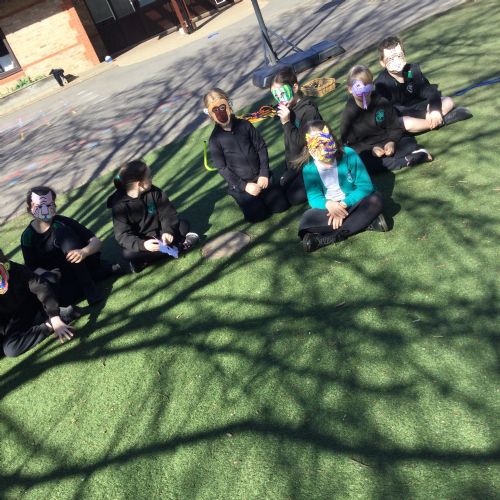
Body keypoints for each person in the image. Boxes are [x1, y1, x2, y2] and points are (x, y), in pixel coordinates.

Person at [297, 121, 388, 252]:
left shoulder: (349, 154)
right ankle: (365, 223)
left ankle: (327, 238)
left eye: (325, 142)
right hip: (329, 209)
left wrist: (343, 205)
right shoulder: (309, 169)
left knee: (375, 200)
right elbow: (314, 197)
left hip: (353, 202)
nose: (323, 149)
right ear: (309, 149)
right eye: (316, 145)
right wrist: (329, 205)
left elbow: (365, 186)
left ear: (332, 138)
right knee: (306, 222)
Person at [21, 186, 120, 306]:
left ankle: (90, 288)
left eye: (49, 204)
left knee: (62, 232)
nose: (45, 210)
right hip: (63, 277)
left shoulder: (62, 222)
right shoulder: (28, 236)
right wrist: (50, 274)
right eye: (39, 206)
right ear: (30, 208)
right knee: (62, 298)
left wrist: (84, 252)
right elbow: (31, 266)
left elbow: (96, 242)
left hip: (83, 265)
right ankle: (99, 274)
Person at [205, 88, 289, 223]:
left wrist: (264, 173)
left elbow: (261, 147)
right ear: (210, 114)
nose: (220, 112)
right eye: (215, 109)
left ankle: (267, 192)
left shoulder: (245, 125)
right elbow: (222, 168)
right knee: (258, 216)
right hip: (242, 185)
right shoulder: (215, 140)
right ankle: (245, 198)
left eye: (222, 107)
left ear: (228, 105)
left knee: (281, 206)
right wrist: (244, 186)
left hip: (261, 177)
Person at [107, 160, 199, 273]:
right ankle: (180, 246)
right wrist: (143, 245)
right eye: (149, 176)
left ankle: (147, 259)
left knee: (183, 225)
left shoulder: (154, 192)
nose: (151, 178)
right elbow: (123, 235)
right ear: (139, 184)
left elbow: (168, 213)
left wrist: (168, 231)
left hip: (161, 234)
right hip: (144, 241)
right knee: (127, 253)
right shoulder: (119, 206)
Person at [340, 65, 432, 174]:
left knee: (407, 143)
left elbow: (395, 125)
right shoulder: (348, 114)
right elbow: (350, 144)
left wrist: (391, 141)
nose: (364, 90)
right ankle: (405, 160)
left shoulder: (382, 102)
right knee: (363, 163)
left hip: (389, 141)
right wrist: (371, 149)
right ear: (350, 89)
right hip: (369, 149)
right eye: (358, 86)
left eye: (367, 84)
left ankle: (413, 152)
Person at [375, 36, 472, 133]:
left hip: (421, 106)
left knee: (448, 101)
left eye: (399, 56)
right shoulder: (381, 84)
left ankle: (431, 122)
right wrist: (424, 114)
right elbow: (396, 110)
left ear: (404, 55)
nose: (396, 61)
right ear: (382, 63)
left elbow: (429, 91)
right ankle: (444, 120)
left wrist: (434, 110)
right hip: (403, 114)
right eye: (390, 58)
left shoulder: (411, 71)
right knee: (405, 123)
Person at [1, 247, 79, 358]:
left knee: (50, 281)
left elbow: (39, 286)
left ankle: (58, 315)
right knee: (11, 349)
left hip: (34, 302)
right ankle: (55, 321)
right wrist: (51, 324)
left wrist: (54, 316)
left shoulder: (13, 268)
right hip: (14, 320)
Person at [270, 67, 323, 205]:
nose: (280, 99)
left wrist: (286, 123)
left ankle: (323, 182)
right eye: (276, 96)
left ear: (294, 87)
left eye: (283, 94)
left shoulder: (309, 111)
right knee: (281, 190)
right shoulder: (288, 108)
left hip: (312, 162)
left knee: (294, 197)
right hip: (295, 163)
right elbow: (290, 146)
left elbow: (300, 143)